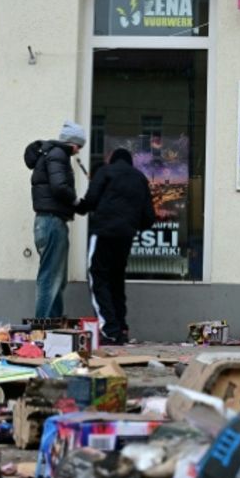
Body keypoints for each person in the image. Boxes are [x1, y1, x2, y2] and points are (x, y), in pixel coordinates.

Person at [75, 147, 156, 345]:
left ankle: (109, 330)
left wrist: (76, 206)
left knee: (98, 276)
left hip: (103, 233)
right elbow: (149, 218)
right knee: (116, 281)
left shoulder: (105, 172)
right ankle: (121, 328)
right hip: (125, 237)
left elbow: (91, 201)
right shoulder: (139, 178)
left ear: (112, 159)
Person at [30, 120, 86, 318]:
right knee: (50, 278)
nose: (79, 151)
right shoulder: (58, 155)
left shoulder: (53, 154)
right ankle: (43, 330)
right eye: (79, 146)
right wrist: (77, 202)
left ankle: (52, 326)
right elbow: (60, 187)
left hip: (49, 222)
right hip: (52, 222)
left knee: (56, 279)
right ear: (73, 143)